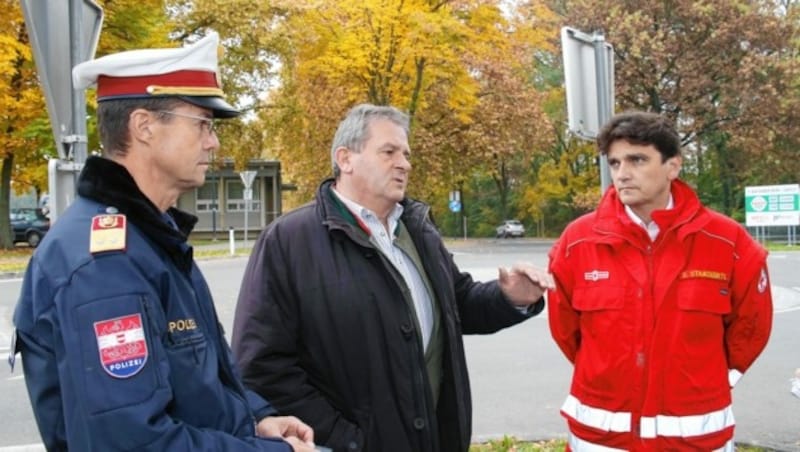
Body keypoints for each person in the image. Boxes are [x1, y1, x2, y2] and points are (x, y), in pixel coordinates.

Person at [10, 32, 315, 452]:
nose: (213, 141)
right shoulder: (105, 263)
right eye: (203, 124)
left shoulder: (151, 238)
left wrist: (258, 418)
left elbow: (199, 384)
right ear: (144, 127)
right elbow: (131, 442)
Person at [231, 103, 554, 452]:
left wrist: (510, 298)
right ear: (346, 159)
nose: (404, 163)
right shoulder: (288, 240)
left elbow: (457, 303)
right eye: (389, 152)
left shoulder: (417, 229)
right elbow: (262, 366)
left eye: (406, 153)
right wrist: (347, 439)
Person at [547, 111, 773, 451]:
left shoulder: (728, 242)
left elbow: (751, 328)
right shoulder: (578, 241)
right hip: (601, 437)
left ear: (673, 166)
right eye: (615, 163)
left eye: (637, 159)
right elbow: (566, 330)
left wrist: (705, 379)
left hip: (695, 436)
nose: (622, 174)